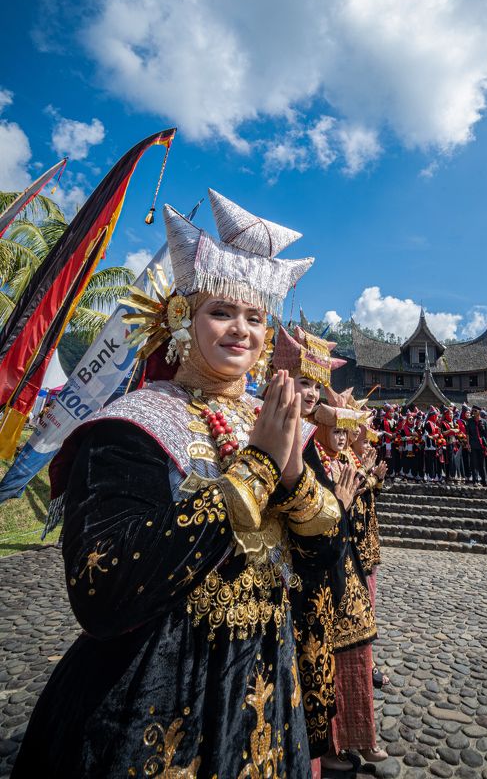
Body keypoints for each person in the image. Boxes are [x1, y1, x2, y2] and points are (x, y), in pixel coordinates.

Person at [12, 191, 342, 779]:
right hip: (162, 677)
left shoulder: (268, 420)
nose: (242, 329)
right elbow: (104, 590)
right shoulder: (130, 426)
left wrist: (292, 476)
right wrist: (257, 469)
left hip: (266, 671)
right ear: (180, 318)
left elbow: (326, 558)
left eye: (256, 317)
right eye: (221, 312)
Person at [269, 323, 351, 777]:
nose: (314, 393)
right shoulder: (270, 436)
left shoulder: (305, 441)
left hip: (314, 586)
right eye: (305, 382)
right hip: (285, 591)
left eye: (319, 385)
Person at [311, 395, 386, 770]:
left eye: (347, 430)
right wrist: (345, 497)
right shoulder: (311, 463)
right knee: (329, 661)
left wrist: (367, 481)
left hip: (349, 565)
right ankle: (331, 745)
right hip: (325, 573)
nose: (343, 437)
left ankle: (361, 737)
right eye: (336, 430)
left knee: (357, 653)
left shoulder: (342, 462)